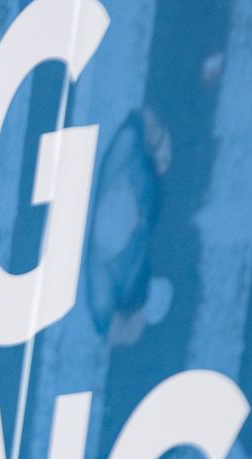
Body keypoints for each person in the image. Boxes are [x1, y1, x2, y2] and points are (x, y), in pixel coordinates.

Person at [84, 109, 174, 346]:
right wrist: (160, 143)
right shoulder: (138, 176)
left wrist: (160, 143)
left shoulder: (108, 283)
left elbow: (140, 120)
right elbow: (142, 120)